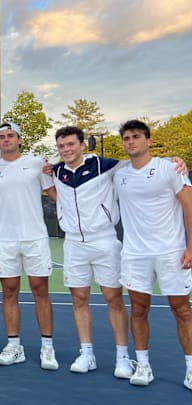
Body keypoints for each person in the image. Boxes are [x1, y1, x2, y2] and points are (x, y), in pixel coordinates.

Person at [113, 119, 192, 389]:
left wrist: (191, 246)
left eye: (136, 136)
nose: (131, 141)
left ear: (149, 140)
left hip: (171, 251)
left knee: (181, 309)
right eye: (126, 138)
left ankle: (191, 368)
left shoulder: (170, 167)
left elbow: (189, 206)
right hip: (135, 254)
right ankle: (143, 365)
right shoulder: (119, 172)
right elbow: (81, 163)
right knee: (138, 309)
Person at [51, 126, 133, 377]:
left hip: (104, 241)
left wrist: (172, 162)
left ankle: (123, 358)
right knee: (79, 299)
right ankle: (87, 353)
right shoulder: (56, 171)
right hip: (74, 243)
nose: (66, 150)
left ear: (83, 145)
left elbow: (138, 164)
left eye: (70, 145)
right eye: (62, 146)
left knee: (114, 299)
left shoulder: (105, 166)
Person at [0, 122, 58, 370]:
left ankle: (47, 348)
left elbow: (56, 194)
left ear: (19, 139)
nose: (6, 140)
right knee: (9, 292)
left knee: (40, 291)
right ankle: (14, 346)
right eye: (1, 137)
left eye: (10, 136)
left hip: (34, 237)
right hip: (5, 239)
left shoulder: (39, 163)